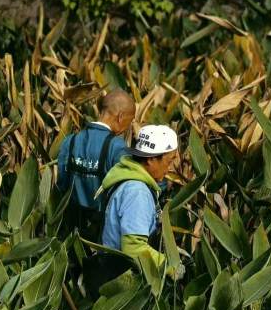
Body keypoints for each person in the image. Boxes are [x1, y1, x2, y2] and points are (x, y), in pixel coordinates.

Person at [97, 124, 182, 280]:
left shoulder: (124, 173)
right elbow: (133, 247)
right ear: (151, 159)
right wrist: (169, 266)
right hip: (122, 278)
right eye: (168, 161)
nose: (170, 168)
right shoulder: (137, 192)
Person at [56, 88, 135, 236]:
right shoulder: (117, 148)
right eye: (129, 121)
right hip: (101, 235)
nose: (127, 128)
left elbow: (61, 185)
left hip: (70, 231)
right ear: (120, 117)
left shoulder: (70, 141)